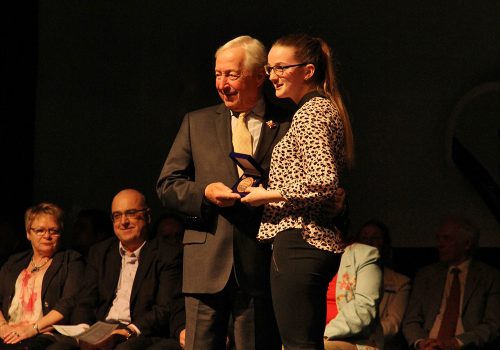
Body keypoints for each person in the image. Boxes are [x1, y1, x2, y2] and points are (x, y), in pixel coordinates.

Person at [156, 35, 294, 350]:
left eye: (231, 74)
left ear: (260, 76)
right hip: (205, 262)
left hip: (260, 263)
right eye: (218, 74)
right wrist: (205, 193)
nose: (222, 83)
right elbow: (167, 184)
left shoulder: (286, 122)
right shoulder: (197, 122)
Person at [241, 33, 354, 349]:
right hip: (310, 240)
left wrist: (267, 195)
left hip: (300, 240)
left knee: (298, 345)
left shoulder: (312, 112)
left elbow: (323, 180)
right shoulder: (321, 108)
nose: (272, 76)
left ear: (307, 71)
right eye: (269, 68)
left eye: (281, 67)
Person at [50, 189, 185, 350]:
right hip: (100, 328)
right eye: (117, 215)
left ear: (148, 216)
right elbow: (85, 301)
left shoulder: (167, 254)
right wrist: (85, 330)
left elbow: (164, 308)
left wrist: (128, 331)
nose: (124, 221)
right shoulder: (99, 252)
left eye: (131, 213)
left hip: (138, 331)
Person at [402, 214, 500, 350]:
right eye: (439, 238)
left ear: (467, 243)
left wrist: (456, 342)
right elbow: (411, 320)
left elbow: (493, 324)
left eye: (447, 239)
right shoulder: (426, 275)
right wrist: (421, 342)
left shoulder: (489, 276)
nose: (440, 244)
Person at [0, 203, 84, 350]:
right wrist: (2, 327)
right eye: (40, 231)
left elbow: (68, 303)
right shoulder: (14, 262)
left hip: (45, 334)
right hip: (9, 331)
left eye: (54, 231)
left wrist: (33, 328)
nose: (47, 236)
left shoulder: (71, 260)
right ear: (28, 233)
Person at [356, 219, 411, 350]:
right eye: (364, 238)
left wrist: (365, 337)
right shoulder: (346, 276)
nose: (369, 243)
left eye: (375, 238)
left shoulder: (400, 282)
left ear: (385, 244)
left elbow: (393, 324)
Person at [324, 242, 383, 350]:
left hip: (354, 339)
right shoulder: (305, 257)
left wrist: (322, 335)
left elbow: (364, 307)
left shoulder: (363, 254)